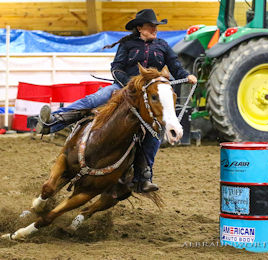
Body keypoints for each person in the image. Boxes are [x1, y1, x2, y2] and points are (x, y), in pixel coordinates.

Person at [33, 9, 197, 192]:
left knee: (155, 129)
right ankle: (53, 122)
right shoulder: (127, 45)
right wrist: (130, 84)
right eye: (151, 26)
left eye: (156, 26)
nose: (155, 29)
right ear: (140, 28)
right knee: (94, 99)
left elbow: (175, 66)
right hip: (124, 88)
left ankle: (143, 175)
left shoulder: (163, 45)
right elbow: (117, 68)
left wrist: (187, 75)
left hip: (150, 95)